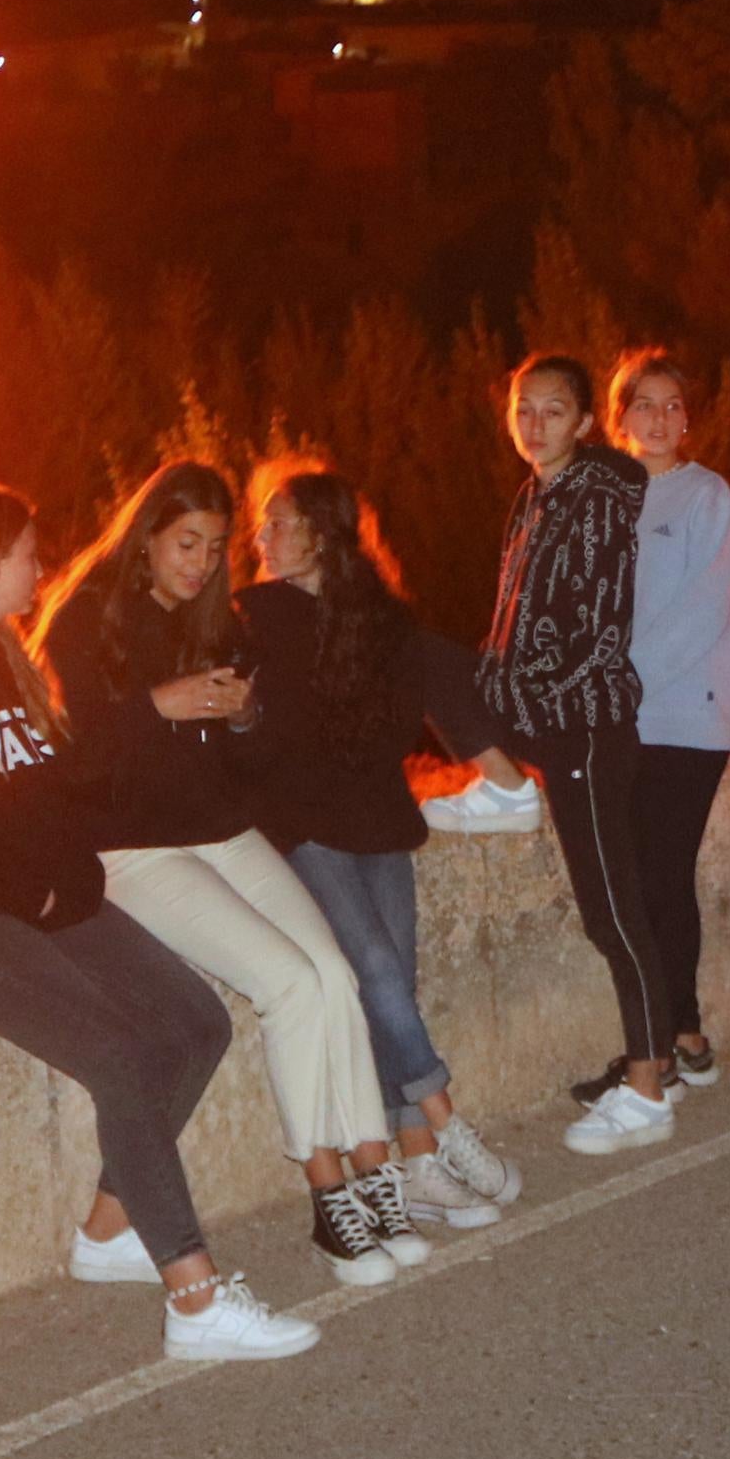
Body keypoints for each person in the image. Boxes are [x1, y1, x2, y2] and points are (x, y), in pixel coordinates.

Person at [0, 482, 311, 1364]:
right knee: (119, 1055)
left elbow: (53, 789)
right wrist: (40, 894)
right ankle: (195, 1297)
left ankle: (106, 1229)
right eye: (24, 552)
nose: (38, 567)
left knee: (195, 1022)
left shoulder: (4, 661)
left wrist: (72, 874)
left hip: (36, 894)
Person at [40, 462, 428, 1287]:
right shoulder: (84, 622)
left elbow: (252, 756)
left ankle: (373, 1171)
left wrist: (244, 715)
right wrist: (159, 705)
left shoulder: (216, 619)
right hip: (132, 850)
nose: (201, 562)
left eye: (216, 547)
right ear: (146, 533)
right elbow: (74, 760)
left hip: (223, 831)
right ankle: (328, 1199)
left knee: (335, 972)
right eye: (187, 543)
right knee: (287, 982)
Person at [233, 459, 527, 1233]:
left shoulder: (381, 621)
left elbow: (414, 712)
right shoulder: (252, 615)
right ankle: (448, 1122)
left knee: (397, 980)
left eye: (279, 521)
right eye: (261, 522)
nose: (261, 535)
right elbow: (256, 732)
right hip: (305, 824)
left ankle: (418, 1161)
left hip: (380, 818)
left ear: (322, 534)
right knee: (371, 968)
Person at [476, 353, 679, 1154]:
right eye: (523, 409)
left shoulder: (596, 494)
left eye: (552, 410)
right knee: (612, 906)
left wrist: (519, 702)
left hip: (583, 727)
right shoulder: (535, 495)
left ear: (586, 421)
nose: (534, 425)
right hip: (548, 720)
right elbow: (512, 616)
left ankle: (648, 1085)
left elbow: (592, 626)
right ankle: (651, 1061)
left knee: (612, 910)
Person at [601, 347, 730, 1093]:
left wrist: (616, 684)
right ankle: (673, 1031)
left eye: (670, 405)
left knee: (660, 874)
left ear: (686, 418)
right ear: (618, 416)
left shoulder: (704, 496)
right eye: (642, 404)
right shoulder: (606, 499)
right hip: (619, 723)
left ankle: (662, 1040)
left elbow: (701, 611)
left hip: (683, 719)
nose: (656, 418)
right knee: (634, 882)